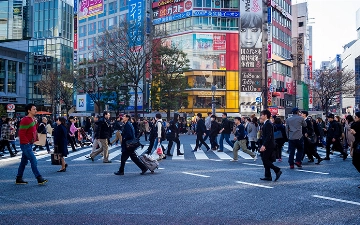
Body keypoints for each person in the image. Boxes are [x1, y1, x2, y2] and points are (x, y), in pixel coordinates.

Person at [15, 104, 47, 185]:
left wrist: (36, 123)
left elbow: (33, 130)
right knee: (33, 160)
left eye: (35, 109)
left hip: (29, 143)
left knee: (23, 162)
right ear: (29, 110)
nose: (35, 110)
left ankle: (19, 178)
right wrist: (26, 143)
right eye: (34, 109)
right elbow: (21, 133)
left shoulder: (32, 119)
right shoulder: (25, 120)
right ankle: (39, 178)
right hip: (26, 144)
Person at [259, 109, 282, 182]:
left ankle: (277, 170)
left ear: (265, 116)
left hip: (269, 145)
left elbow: (269, 136)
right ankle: (268, 176)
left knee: (265, 159)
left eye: (262, 115)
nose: (261, 116)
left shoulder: (268, 123)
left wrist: (264, 145)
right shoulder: (266, 123)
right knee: (266, 160)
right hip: (268, 144)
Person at [350, 112, 360, 188]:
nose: (355, 118)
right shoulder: (356, 125)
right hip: (357, 145)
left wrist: (355, 133)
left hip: (359, 146)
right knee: (355, 161)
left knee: (356, 161)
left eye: (356, 117)